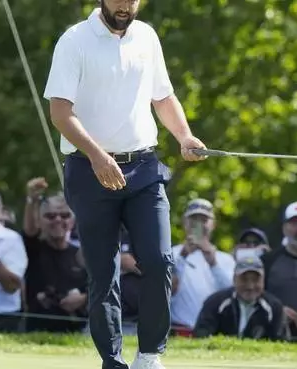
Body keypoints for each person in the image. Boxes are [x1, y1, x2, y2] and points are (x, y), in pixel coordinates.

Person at [43, 0, 207, 368]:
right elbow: (60, 112)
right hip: (89, 170)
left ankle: (149, 355)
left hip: (144, 168)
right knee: (104, 272)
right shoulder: (74, 40)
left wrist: (185, 136)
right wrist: (99, 156)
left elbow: (162, 97)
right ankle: (112, 361)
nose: (125, 5)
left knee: (160, 259)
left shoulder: (147, 36)